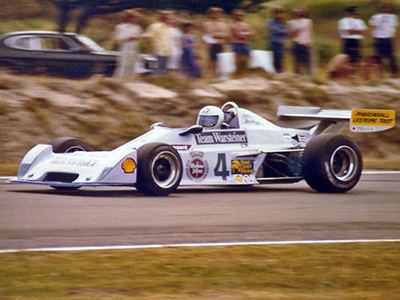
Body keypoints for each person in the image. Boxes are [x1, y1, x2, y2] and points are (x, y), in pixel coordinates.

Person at [369, 2, 398, 76]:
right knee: (378, 56)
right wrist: (373, 38)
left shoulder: (393, 17)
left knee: (391, 56)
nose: (386, 9)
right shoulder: (376, 17)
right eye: (384, 7)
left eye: (387, 7)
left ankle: (393, 73)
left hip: (388, 38)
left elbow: (394, 28)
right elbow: (373, 28)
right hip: (379, 38)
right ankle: (379, 73)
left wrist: (395, 39)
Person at [113, 10, 143, 77]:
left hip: (134, 48)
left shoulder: (137, 28)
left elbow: (139, 37)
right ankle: (120, 79)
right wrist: (130, 38)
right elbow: (120, 39)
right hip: (125, 48)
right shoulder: (120, 27)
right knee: (123, 64)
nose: (134, 19)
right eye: (132, 17)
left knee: (133, 65)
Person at [143, 10, 174, 75]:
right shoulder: (154, 26)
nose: (164, 16)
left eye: (166, 15)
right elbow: (147, 36)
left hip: (166, 52)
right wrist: (152, 45)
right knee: (155, 71)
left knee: (163, 71)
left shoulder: (168, 27)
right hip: (157, 51)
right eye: (162, 15)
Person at [203, 7, 230, 78]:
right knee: (211, 62)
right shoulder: (206, 24)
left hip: (221, 45)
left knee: (222, 60)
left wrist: (217, 34)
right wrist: (219, 34)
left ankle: (221, 76)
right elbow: (208, 34)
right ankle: (211, 77)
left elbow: (226, 34)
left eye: (218, 13)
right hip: (211, 45)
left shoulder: (224, 24)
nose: (216, 15)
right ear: (210, 14)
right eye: (213, 13)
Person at [288, 7, 313, 75]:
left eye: (300, 12)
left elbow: (309, 33)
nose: (298, 13)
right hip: (296, 43)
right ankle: (297, 75)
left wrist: (310, 42)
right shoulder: (291, 22)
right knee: (297, 62)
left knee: (308, 62)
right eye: (296, 12)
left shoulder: (308, 21)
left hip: (306, 43)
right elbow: (290, 35)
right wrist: (296, 31)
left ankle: (309, 76)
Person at [230, 9, 256, 76]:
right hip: (236, 44)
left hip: (245, 44)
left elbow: (253, 33)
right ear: (233, 16)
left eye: (241, 15)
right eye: (237, 15)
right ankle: (238, 74)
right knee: (239, 60)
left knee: (249, 59)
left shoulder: (246, 25)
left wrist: (244, 34)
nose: (239, 17)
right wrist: (246, 33)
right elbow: (238, 34)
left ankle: (247, 74)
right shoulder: (232, 25)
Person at [266, 6, 288, 73]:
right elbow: (273, 29)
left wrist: (280, 31)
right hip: (273, 42)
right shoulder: (270, 21)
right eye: (276, 13)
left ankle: (280, 72)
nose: (278, 15)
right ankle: (273, 72)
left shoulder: (284, 22)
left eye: (280, 13)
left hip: (281, 43)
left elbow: (286, 32)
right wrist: (281, 31)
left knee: (280, 59)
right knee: (272, 58)